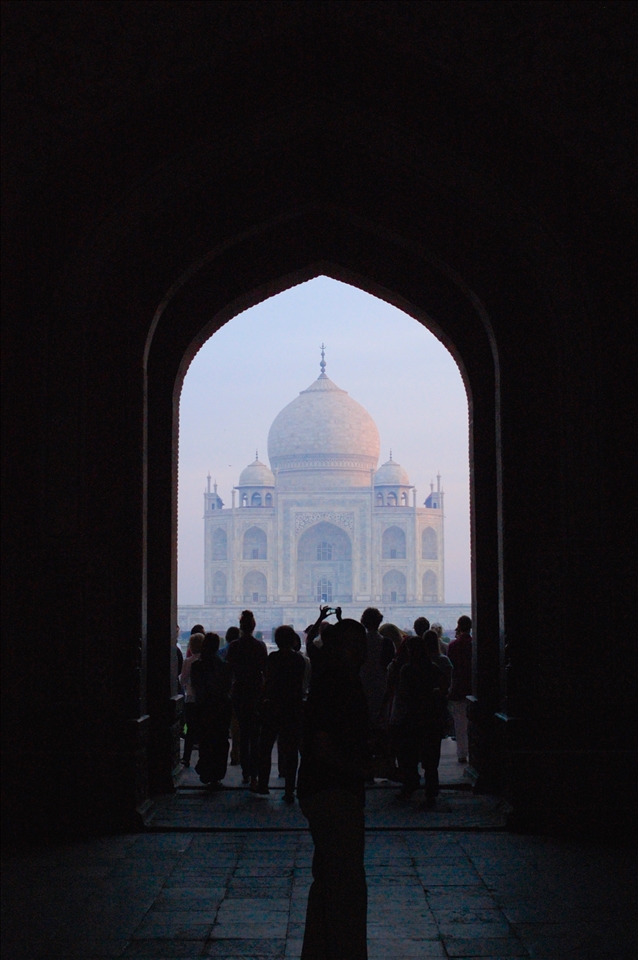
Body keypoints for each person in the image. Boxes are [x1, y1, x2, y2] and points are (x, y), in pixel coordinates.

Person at [297, 617, 370, 959]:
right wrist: (366, 769)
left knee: (329, 881)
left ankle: (319, 951)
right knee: (346, 887)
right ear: (341, 649)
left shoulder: (335, 681)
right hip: (333, 792)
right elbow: (323, 746)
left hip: (326, 790)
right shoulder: (336, 685)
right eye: (355, 646)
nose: (362, 653)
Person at [390, 632, 446, 806]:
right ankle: (431, 790)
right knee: (431, 758)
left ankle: (410, 785)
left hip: (412, 717)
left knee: (409, 756)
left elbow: (404, 694)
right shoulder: (434, 668)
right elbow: (442, 691)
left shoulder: (407, 669)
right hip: (431, 718)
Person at [257, 625, 306, 801]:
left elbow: (268, 681)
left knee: (266, 747)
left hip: (273, 705)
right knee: (291, 750)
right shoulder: (298, 660)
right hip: (292, 707)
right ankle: (289, 790)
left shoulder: (273, 658)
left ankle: (263, 784)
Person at [226, 610, 267, 789]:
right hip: (255, 691)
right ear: (253, 626)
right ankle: (255, 776)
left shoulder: (234, 646)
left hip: (240, 691)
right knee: (255, 735)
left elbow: (229, 670)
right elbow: (265, 670)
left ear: (241, 627)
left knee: (243, 733)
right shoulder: (260, 646)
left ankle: (245, 772)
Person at [191, 632, 232, 786]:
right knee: (220, 742)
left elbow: (197, 688)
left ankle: (206, 769)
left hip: (204, 707)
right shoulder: (225, 666)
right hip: (221, 707)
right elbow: (227, 688)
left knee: (206, 740)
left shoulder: (197, 666)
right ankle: (216, 773)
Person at [447, 615, 473, 763]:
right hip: (472, 688)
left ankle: (462, 753)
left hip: (458, 689)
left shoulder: (453, 646)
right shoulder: (474, 644)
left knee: (460, 723)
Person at [179, 631, 204, 767]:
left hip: (191, 698)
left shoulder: (188, 661)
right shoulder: (206, 661)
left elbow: (182, 680)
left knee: (191, 731)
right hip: (204, 700)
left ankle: (186, 758)